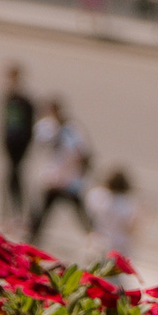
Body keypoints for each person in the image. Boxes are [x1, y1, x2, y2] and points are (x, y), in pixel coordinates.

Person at [26, 98, 93, 245]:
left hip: (70, 181)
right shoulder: (48, 128)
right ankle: (32, 238)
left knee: (82, 215)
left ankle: (93, 238)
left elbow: (80, 153)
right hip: (54, 180)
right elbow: (40, 143)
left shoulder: (72, 130)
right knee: (41, 212)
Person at [0, 64, 37, 224]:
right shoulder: (7, 98)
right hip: (10, 144)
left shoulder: (25, 101)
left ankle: (17, 214)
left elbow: (30, 126)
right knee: (9, 179)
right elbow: (4, 123)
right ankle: (8, 213)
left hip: (20, 145)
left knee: (15, 178)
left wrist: (26, 146)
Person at [85, 168, 140, 265]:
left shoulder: (99, 196)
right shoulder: (127, 205)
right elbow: (131, 228)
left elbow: (90, 209)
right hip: (119, 245)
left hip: (98, 240)